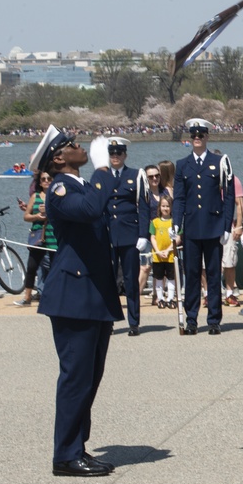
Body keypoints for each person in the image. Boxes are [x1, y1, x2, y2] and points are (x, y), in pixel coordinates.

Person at [30, 124, 123, 477]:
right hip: (73, 296)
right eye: (71, 145)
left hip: (93, 295)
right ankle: (65, 456)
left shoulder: (81, 185)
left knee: (90, 378)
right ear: (58, 158)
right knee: (75, 378)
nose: (80, 146)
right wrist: (102, 169)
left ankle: (77, 448)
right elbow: (88, 210)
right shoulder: (58, 189)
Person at [172, 118, 235, 335]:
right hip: (191, 227)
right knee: (191, 274)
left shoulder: (220, 161)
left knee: (214, 273)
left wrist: (227, 226)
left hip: (213, 225)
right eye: (193, 136)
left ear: (207, 137)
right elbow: (179, 198)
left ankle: (214, 319)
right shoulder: (182, 165)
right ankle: (191, 319)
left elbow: (228, 195)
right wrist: (175, 224)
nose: (197, 139)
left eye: (200, 135)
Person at [104, 137, 150, 337]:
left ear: (125, 155)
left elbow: (144, 207)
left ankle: (134, 322)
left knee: (131, 281)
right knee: (109, 281)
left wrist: (143, 234)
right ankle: (110, 321)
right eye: (112, 153)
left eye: (119, 153)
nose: (115, 157)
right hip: (109, 236)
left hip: (130, 236)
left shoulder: (135, 175)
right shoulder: (103, 177)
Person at [15, 171, 58, 306]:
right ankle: (27, 297)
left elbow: (64, 213)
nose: (46, 181)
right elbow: (26, 216)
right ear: (39, 182)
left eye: (49, 178)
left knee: (55, 267)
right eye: (43, 179)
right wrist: (37, 216)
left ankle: (56, 296)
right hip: (38, 236)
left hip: (53, 236)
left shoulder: (57, 196)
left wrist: (49, 211)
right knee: (32, 266)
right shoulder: (35, 196)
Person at [136, 164, 163, 306]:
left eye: (157, 175)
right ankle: (135, 296)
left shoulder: (166, 192)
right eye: (151, 176)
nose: (154, 178)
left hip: (162, 234)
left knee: (160, 266)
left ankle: (157, 296)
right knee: (145, 267)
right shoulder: (144, 194)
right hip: (147, 234)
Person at [221, 172, 243, 307]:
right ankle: (207, 293)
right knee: (204, 264)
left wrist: (239, 226)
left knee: (230, 260)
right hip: (208, 226)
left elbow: (240, 203)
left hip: (228, 226)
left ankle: (229, 293)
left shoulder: (233, 179)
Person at [149, 195, 177, 309]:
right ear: (159, 207)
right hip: (158, 256)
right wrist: (158, 251)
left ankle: (170, 298)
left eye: (168, 206)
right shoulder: (155, 222)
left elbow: (177, 238)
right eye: (163, 206)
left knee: (171, 278)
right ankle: (160, 298)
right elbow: (153, 237)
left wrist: (168, 249)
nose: (165, 208)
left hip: (170, 256)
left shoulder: (174, 222)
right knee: (159, 278)